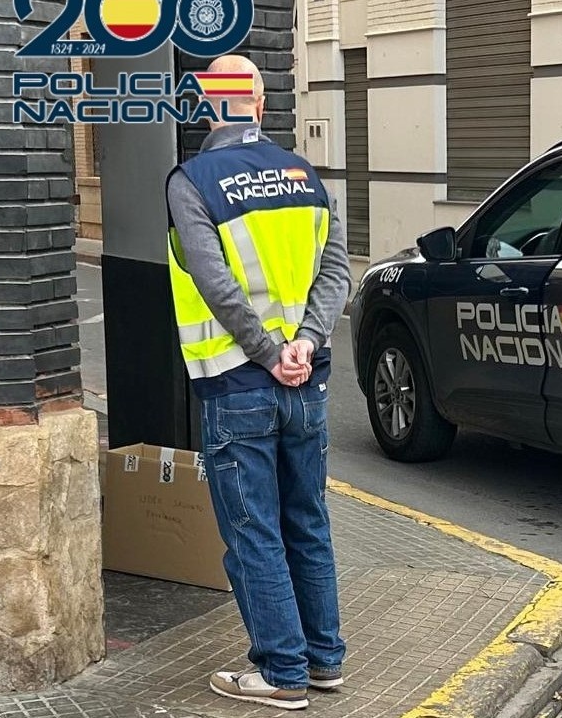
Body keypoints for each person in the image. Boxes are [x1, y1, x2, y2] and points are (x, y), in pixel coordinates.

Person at [165, 54, 351, 710]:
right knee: (308, 521)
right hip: (306, 381)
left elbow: (213, 280)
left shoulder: (191, 181)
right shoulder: (306, 176)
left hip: (237, 384)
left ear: (208, 106)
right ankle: (323, 661)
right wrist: (304, 343)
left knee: (254, 532)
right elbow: (337, 273)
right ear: (262, 105)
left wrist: (269, 353)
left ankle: (281, 672)